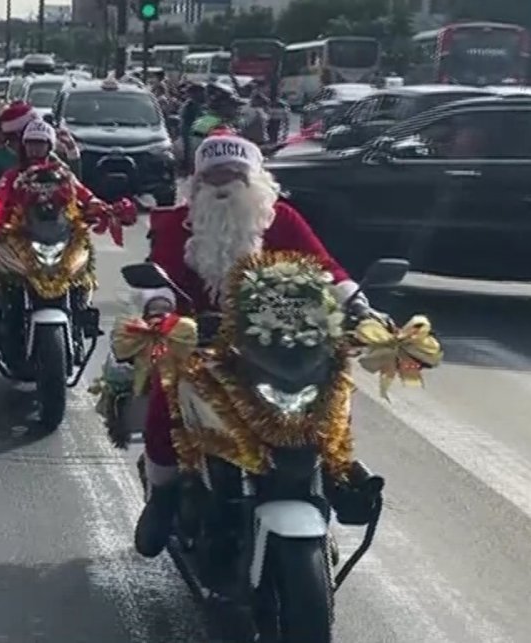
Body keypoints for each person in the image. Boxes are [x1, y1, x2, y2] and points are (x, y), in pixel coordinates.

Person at [131, 132, 382, 558]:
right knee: (165, 395)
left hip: (280, 346)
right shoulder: (178, 222)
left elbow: (326, 267)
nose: (224, 183)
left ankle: (336, 474)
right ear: (198, 180)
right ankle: (163, 494)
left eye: (234, 173)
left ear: (255, 178)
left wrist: (358, 307)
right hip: (203, 346)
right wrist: (161, 310)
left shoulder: (281, 219)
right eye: (214, 175)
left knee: (333, 389)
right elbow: (162, 274)